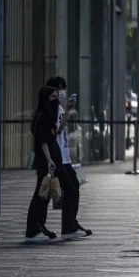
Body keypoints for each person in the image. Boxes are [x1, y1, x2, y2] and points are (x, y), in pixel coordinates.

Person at [45, 76, 91, 238]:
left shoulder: (58, 107)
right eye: (59, 89)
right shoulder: (52, 108)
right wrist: (68, 109)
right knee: (70, 190)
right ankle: (68, 227)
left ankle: (70, 224)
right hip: (58, 160)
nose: (62, 92)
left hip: (64, 159)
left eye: (63, 89)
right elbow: (56, 130)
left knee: (73, 189)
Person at [25, 87, 65, 242]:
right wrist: (49, 160)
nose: (56, 100)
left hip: (48, 161)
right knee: (40, 194)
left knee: (44, 194)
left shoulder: (47, 116)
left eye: (57, 97)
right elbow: (43, 142)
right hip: (45, 162)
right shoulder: (42, 117)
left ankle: (40, 225)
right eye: (53, 97)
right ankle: (33, 229)